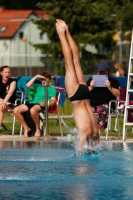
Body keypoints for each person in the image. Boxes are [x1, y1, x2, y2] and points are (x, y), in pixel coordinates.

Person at [55, 19, 99, 149]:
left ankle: (67, 32)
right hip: (78, 95)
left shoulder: (94, 134)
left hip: (84, 93)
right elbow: (85, 138)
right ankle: (62, 33)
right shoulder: (92, 134)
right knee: (71, 62)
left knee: (74, 60)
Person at [13, 71, 56, 138]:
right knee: (16, 110)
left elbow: (53, 102)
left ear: (49, 79)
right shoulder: (37, 87)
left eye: (45, 79)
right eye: (42, 79)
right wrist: (36, 76)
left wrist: (45, 104)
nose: (43, 81)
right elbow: (28, 85)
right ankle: (26, 128)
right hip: (32, 103)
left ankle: (37, 129)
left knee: (33, 110)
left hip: (41, 104)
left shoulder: (52, 89)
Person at [86, 61, 120, 131]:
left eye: (103, 72)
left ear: (107, 71)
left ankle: (100, 129)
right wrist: (91, 87)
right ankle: (87, 129)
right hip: (92, 105)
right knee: (84, 110)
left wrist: (110, 87)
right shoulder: (91, 80)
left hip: (107, 105)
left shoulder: (113, 81)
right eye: (100, 72)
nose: (101, 74)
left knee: (101, 108)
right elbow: (83, 92)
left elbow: (118, 94)